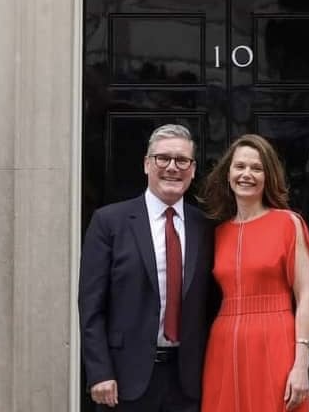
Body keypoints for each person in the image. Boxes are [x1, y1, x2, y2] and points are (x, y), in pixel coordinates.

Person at [78, 124, 214, 412]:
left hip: (188, 381)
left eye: (182, 160)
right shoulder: (109, 222)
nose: (172, 167)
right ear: (146, 164)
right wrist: (99, 371)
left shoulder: (205, 227)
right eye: (162, 158)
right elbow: (91, 306)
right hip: (124, 380)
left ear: (192, 170)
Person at [199, 134, 309, 412]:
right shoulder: (218, 233)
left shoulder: (288, 223)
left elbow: (305, 296)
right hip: (224, 343)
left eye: (256, 168)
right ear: (228, 174)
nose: (247, 174)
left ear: (268, 176)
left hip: (275, 338)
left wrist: (301, 364)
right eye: (240, 166)